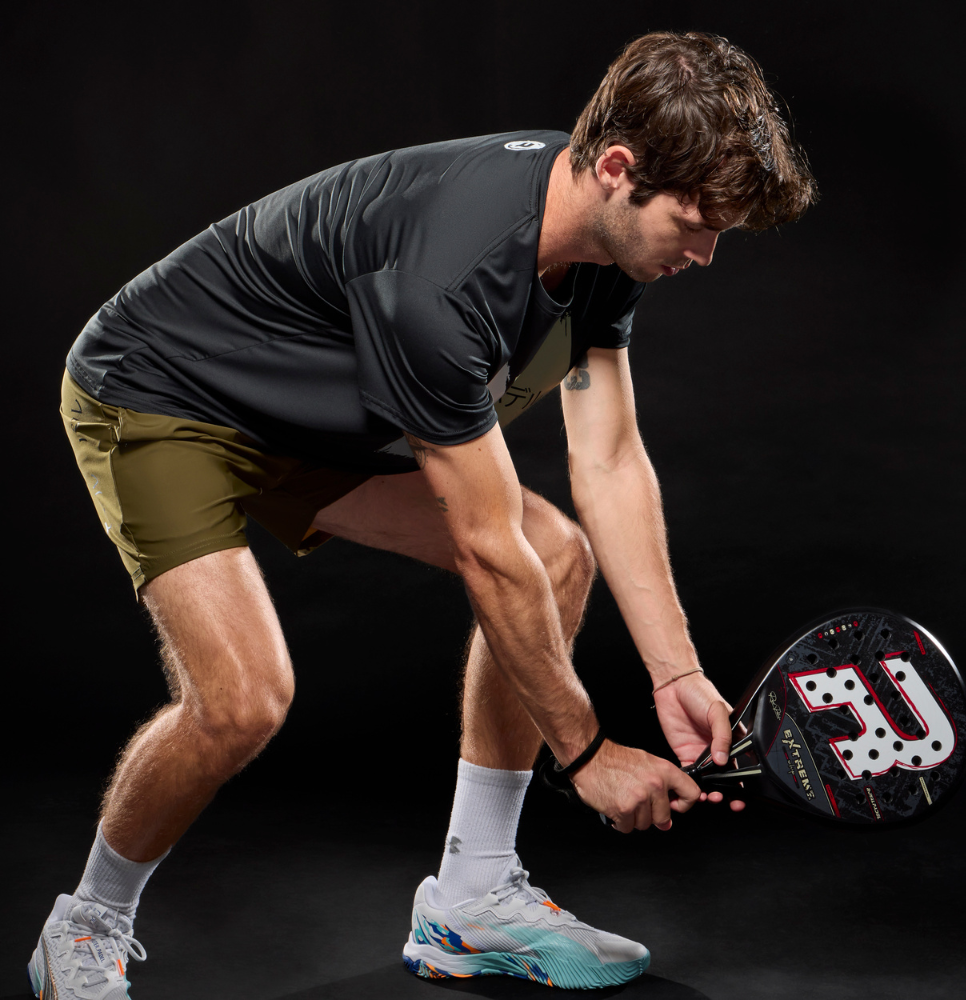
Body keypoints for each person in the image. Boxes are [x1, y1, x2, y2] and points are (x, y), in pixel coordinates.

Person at [30, 29, 815, 997]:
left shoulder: (600, 238)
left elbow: (608, 458)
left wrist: (674, 670)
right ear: (617, 169)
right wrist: (584, 757)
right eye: (694, 222)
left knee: (555, 552)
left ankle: (471, 899)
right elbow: (486, 553)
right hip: (163, 394)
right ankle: (89, 919)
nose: (702, 252)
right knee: (242, 700)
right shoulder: (447, 276)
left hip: (310, 407)